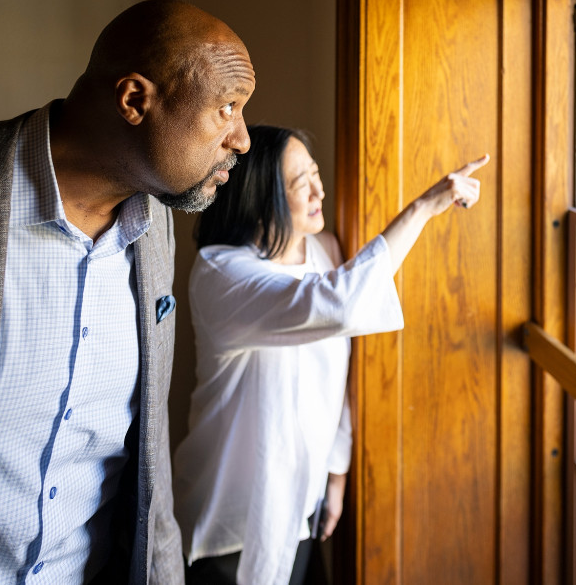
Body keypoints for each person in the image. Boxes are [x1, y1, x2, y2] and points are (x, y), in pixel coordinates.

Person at [0, 0, 255, 583]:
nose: (241, 139)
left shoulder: (155, 228)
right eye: (227, 108)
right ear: (135, 100)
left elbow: (147, 464)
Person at [172, 124, 489, 585]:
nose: (319, 189)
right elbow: (339, 304)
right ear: (263, 196)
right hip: (229, 522)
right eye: (302, 182)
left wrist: (336, 476)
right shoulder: (222, 273)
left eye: (316, 174)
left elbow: (335, 376)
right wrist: (424, 207)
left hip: (303, 504)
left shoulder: (324, 251)